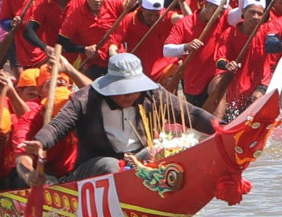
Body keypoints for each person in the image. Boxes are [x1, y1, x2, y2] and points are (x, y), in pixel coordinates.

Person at [23, 52, 217, 180]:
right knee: (111, 166)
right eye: (123, 90)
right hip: (96, 165)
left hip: (138, 156)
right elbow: (58, 125)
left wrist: (221, 128)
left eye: (134, 90)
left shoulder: (152, 94)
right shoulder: (85, 99)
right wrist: (40, 143)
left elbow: (191, 114)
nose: (130, 95)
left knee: (166, 151)